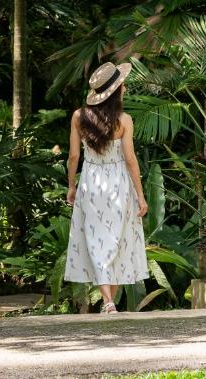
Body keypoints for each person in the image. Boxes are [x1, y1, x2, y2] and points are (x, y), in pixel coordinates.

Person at [64, 61, 149, 313]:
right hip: (119, 183)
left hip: (91, 182)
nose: (125, 88)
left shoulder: (79, 117)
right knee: (117, 239)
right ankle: (109, 301)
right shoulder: (124, 120)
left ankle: (108, 301)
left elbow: (73, 156)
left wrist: (71, 185)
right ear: (116, 91)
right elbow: (130, 160)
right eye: (123, 85)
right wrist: (141, 195)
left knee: (95, 239)